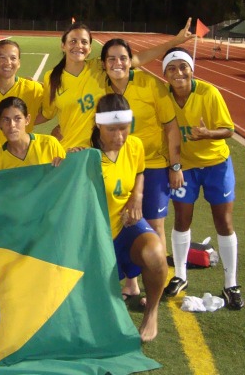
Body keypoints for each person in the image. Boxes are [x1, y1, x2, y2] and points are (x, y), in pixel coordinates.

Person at [161, 48, 244, 309]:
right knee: (182, 219)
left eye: (183, 66)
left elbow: (229, 130)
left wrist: (207, 133)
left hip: (216, 164)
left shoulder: (208, 93)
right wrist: (174, 165)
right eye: (171, 68)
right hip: (184, 167)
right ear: (164, 73)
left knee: (224, 221)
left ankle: (231, 283)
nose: (178, 73)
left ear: (192, 69)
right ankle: (180, 276)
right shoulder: (164, 96)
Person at [101, 38, 183, 299]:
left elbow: (171, 127)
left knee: (154, 225)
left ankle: (155, 287)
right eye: (111, 59)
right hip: (119, 164)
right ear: (103, 64)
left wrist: (175, 165)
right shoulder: (101, 86)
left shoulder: (151, 85)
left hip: (154, 165)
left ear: (131, 61)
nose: (118, 63)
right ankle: (132, 283)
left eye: (123, 58)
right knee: (125, 221)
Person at [35, 19, 194, 152]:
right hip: (70, 151)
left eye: (84, 42)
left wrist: (175, 41)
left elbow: (137, 59)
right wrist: (21, 121)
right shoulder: (52, 78)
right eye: (73, 41)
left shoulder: (98, 67)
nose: (79, 46)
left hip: (99, 152)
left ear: (90, 48)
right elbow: (48, 113)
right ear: (63, 45)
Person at [86, 93, 168, 342]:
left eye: (124, 128)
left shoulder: (134, 145)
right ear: (98, 124)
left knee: (155, 253)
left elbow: (140, 171)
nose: (119, 137)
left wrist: (137, 195)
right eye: (112, 130)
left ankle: (151, 313)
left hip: (126, 226)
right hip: (94, 238)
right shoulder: (85, 156)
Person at [0, 40, 43, 142]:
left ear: (19, 63)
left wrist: (28, 122)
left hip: (19, 154)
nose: (8, 63)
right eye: (2, 58)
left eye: (13, 58)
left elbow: (50, 111)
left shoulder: (34, 88)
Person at [0, 97, 65, 172]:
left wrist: (73, 158)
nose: (12, 125)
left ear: (27, 120)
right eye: (6, 119)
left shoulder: (49, 144)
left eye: (17, 118)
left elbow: (69, 174)